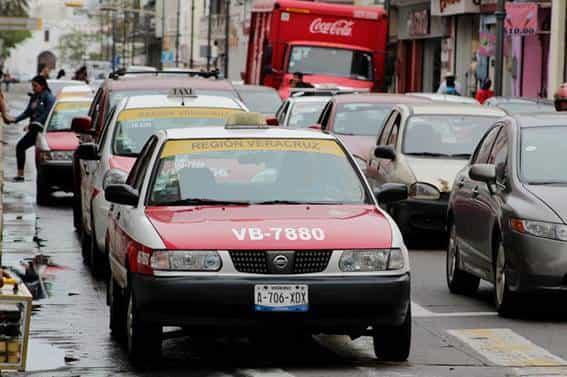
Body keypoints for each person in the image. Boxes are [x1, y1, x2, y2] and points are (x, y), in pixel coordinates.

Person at [3, 75, 55, 181]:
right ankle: (20, 175)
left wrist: (34, 123)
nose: (33, 88)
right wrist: (15, 120)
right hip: (34, 129)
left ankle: (47, 178)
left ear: (42, 85)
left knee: (42, 156)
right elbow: (27, 112)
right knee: (20, 147)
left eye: (35, 86)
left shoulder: (49, 97)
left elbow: (47, 114)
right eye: (32, 86)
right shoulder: (35, 97)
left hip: (43, 131)